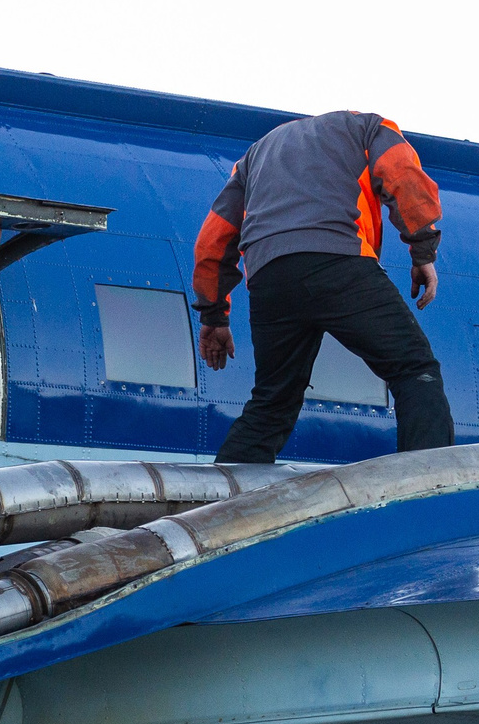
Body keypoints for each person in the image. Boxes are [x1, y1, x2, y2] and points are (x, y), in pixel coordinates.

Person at [193, 109, 455, 463]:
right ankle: (429, 495)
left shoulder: (255, 155)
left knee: (271, 403)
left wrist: (214, 318)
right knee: (414, 370)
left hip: (269, 278)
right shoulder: (369, 127)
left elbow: (213, 239)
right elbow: (402, 173)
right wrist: (422, 250)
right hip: (338, 257)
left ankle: (219, 510)